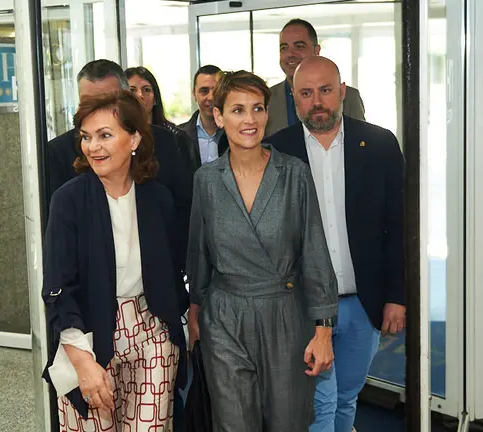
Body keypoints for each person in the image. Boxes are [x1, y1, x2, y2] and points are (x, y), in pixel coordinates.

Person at [186, 70, 339, 431]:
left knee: (288, 421)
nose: (249, 119)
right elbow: (199, 253)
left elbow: (315, 251)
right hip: (225, 317)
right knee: (234, 423)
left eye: (257, 108)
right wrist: (195, 312)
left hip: (285, 315)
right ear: (219, 116)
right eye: (237, 110)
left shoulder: (294, 174)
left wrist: (324, 330)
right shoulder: (206, 180)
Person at [267, 56, 405, 432]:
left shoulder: (379, 144)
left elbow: (398, 226)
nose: (317, 102)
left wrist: (397, 296)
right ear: (294, 98)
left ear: (342, 92)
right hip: (303, 307)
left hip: (364, 301)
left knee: (346, 396)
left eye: (325, 91)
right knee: (320, 401)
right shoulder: (275, 151)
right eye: (306, 93)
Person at [42, 90, 188, 431]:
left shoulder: (158, 198)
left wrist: (175, 326)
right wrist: (82, 362)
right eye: (87, 137)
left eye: (105, 135)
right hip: (87, 335)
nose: (94, 147)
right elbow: (58, 287)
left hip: (151, 332)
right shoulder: (68, 201)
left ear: (134, 138)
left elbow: (173, 270)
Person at [46, 59, 192, 268]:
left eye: (107, 102)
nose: (97, 112)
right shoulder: (58, 154)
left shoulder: (165, 143)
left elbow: (182, 211)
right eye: (88, 102)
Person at [266, 18, 365, 137]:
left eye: (299, 46)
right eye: (284, 48)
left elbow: (360, 144)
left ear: (316, 50)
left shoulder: (349, 97)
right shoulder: (266, 100)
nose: (290, 54)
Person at [125, 66, 197, 174]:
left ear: (155, 99)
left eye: (146, 90)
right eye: (132, 90)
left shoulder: (176, 138)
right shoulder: (118, 137)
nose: (140, 95)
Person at [178, 65, 228, 170]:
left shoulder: (236, 133)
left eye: (216, 91)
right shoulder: (179, 136)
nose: (210, 97)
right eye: (204, 91)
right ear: (194, 94)